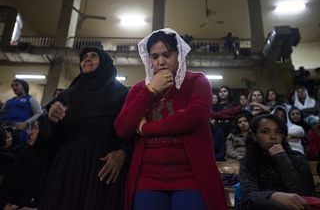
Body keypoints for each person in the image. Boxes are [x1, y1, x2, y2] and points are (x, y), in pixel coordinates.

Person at [114, 28, 227, 210]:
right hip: (148, 175)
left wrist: (145, 129)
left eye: (167, 55)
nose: (161, 62)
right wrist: (150, 90)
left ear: (179, 55)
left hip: (191, 174)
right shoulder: (139, 89)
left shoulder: (197, 81)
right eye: (155, 56)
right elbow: (122, 128)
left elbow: (193, 117)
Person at [40, 46, 132, 210]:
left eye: (93, 56)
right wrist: (53, 120)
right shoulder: (67, 95)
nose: (87, 59)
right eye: (84, 57)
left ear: (104, 63)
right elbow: (49, 140)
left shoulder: (122, 95)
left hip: (104, 170)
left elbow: (131, 131)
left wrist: (124, 152)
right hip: (68, 170)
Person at [240, 114, 315, 210]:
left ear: (283, 135)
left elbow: (305, 196)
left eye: (278, 132)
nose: (273, 137)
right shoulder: (248, 162)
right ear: (254, 136)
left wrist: (281, 158)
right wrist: (272, 195)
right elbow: (249, 195)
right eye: (266, 132)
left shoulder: (298, 159)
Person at [0, 116, 52, 210]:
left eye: (36, 128)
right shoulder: (24, 153)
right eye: (32, 128)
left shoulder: (53, 161)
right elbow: (8, 183)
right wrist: (4, 204)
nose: (31, 133)